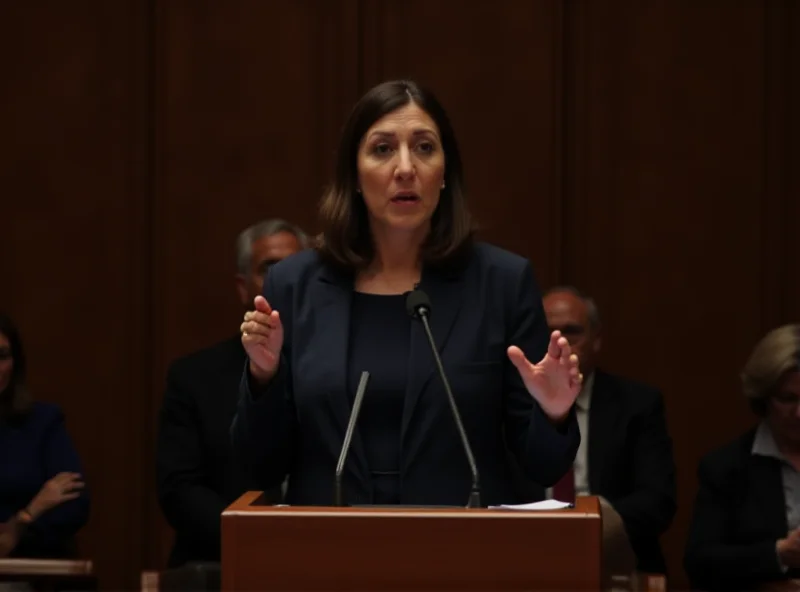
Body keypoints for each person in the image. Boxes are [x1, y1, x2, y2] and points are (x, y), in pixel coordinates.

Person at [231, 80, 583, 507]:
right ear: (354, 176)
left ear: (445, 172)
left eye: (424, 147)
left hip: (463, 552)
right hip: (328, 553)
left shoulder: (501, 283)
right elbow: (260, 468)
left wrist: (555, 412)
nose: (405, 168)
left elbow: (542, 468)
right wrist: (263, 380)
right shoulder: (295, 284)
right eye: (382, 149)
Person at [156, 219, 307, 567]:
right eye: (270, 269)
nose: (284, 280)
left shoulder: (333, 372)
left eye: (294, 268)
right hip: (220, 559)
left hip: (321, 556)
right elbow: (179, 489)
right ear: (243, 287)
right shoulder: (194, 377)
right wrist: (253, 536)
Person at [540, 287, 676, 574]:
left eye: (572, 332)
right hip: (532, 552)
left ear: (596, 340)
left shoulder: (637, 405)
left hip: (614, 555)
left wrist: (588, 520)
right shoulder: (509, 406)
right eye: (549, 332)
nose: (561, 342)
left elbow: (657, 502)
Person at [684, 324, 800, 591]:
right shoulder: (727, 468)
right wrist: (778, 553)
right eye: (788, 399)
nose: (799, 413)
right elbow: (700, 563)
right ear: (764, 397)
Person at [0, 313, 89, 558]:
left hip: (30, 569)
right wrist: (33, 509)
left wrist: (18, 530)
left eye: (2, 356)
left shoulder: (42, 422)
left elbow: (74, 504)